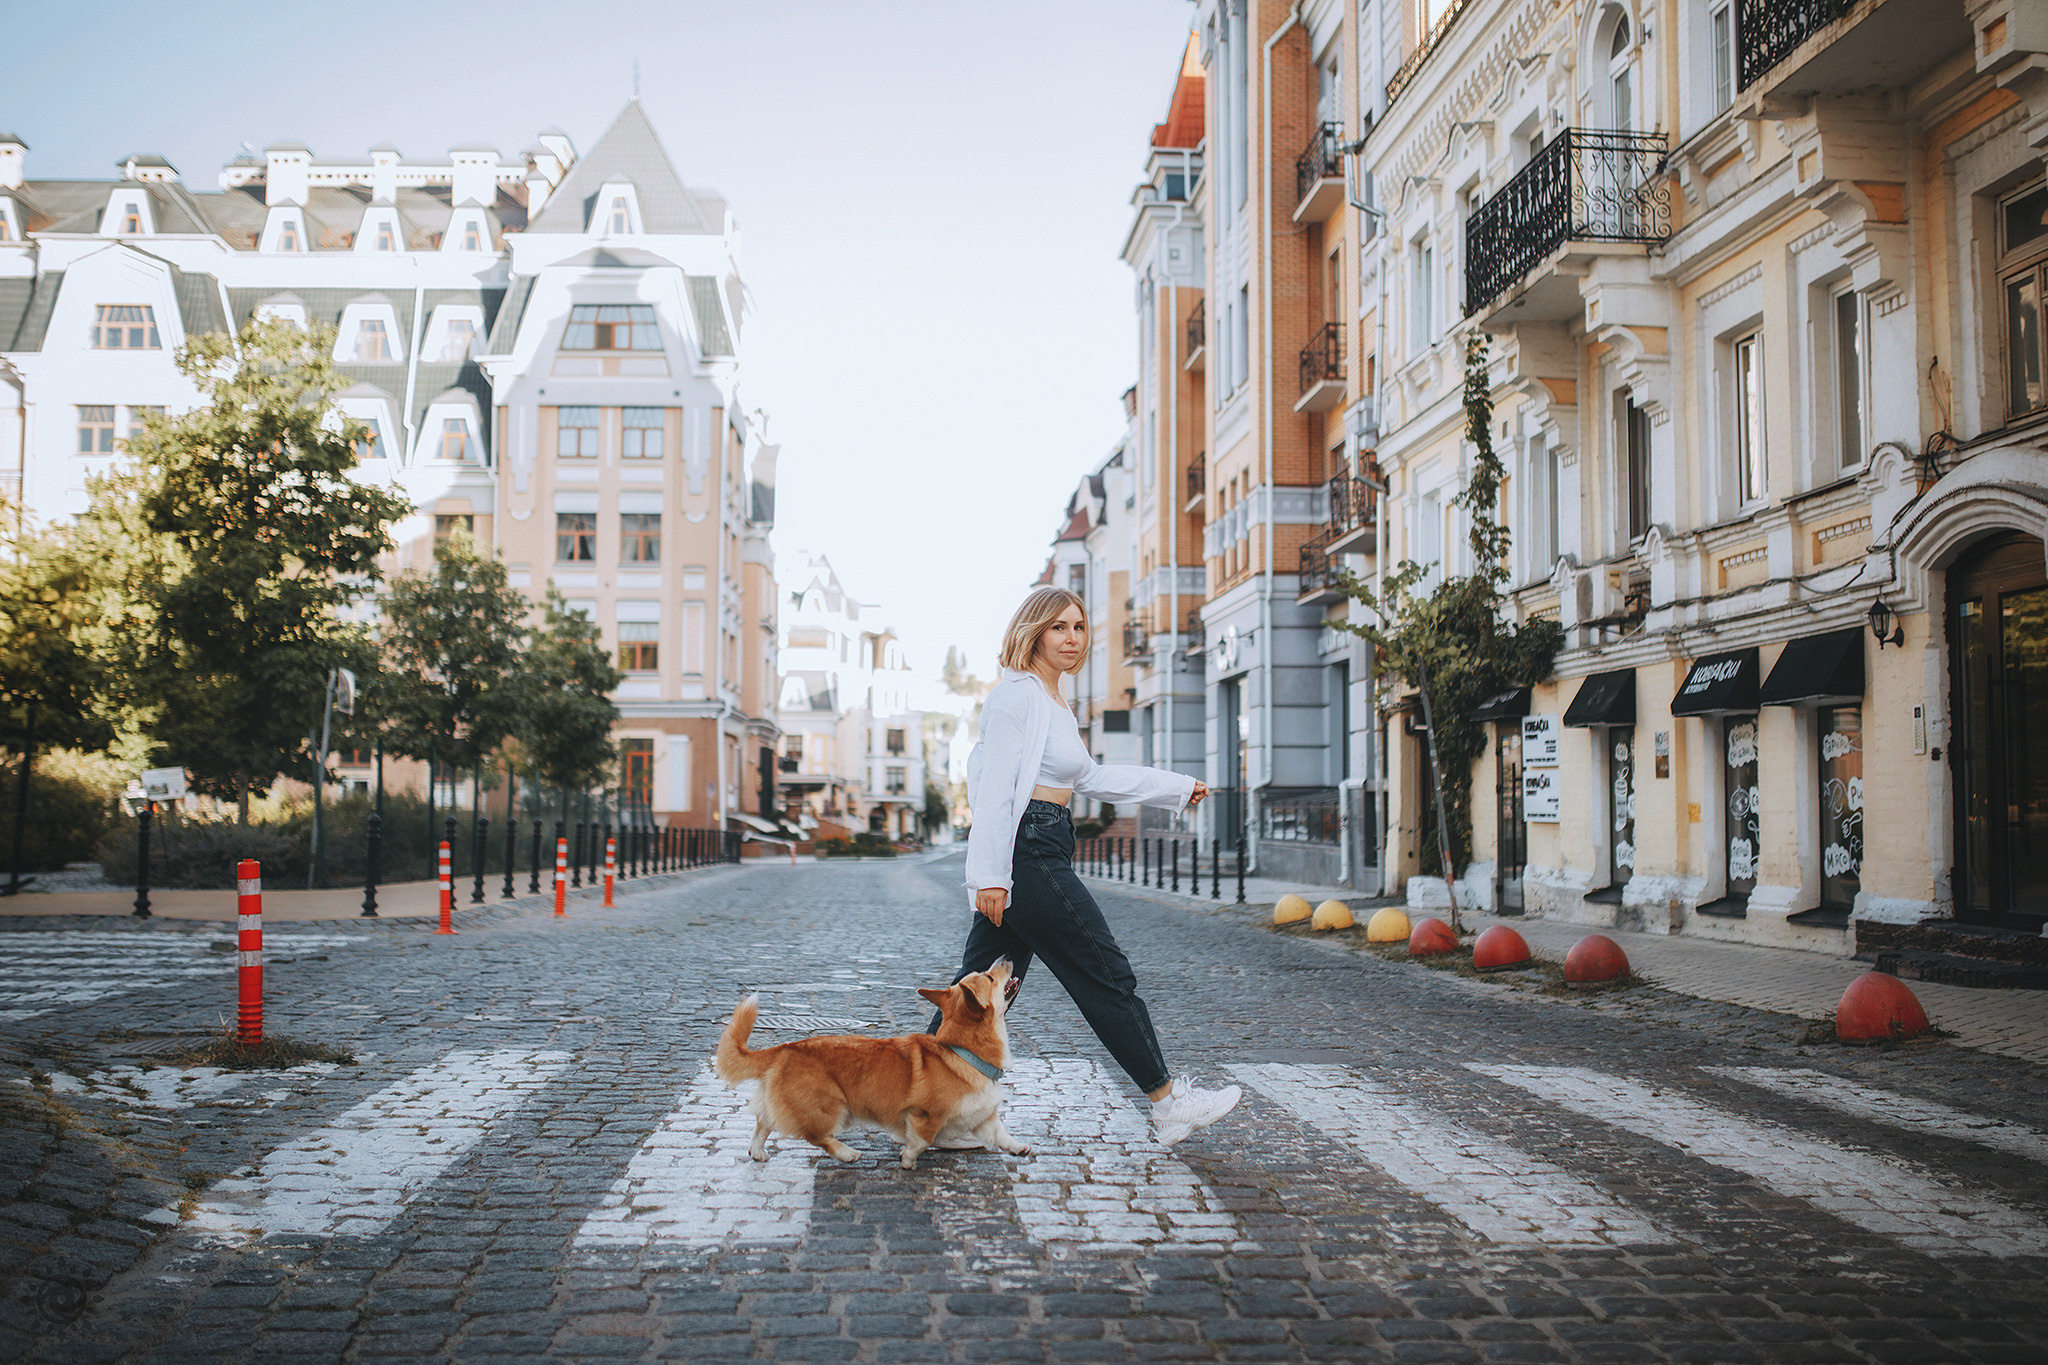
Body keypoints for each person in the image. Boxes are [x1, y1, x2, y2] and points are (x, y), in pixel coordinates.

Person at [931, 585, 1241, 1147]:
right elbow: (995, 789)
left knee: (972, 999)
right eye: (1058, 627)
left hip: (1042, 844)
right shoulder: (1017, 697)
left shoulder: (1052, 700)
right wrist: (991, 877)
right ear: (1033, 631)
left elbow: (1090, 778)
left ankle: (931, 1113)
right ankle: (1168, 1103)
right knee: (1104, 972)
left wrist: (1173, 787)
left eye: (1078, 627)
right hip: (1029, 854)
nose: (1072, 638)